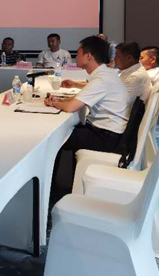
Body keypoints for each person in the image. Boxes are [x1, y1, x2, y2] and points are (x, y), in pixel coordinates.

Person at [45, 36, 131, 191]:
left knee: (53, 138)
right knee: (62, 133)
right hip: (109, 132)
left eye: (78, 53)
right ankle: (57, 185)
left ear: (88, 56)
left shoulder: (101, 79)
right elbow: (80, 98)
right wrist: (60, 100)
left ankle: (51, 190)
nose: (76, 57)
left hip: (107, 138)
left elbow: (71, 107)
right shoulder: (105, 74)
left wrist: (53, 103)